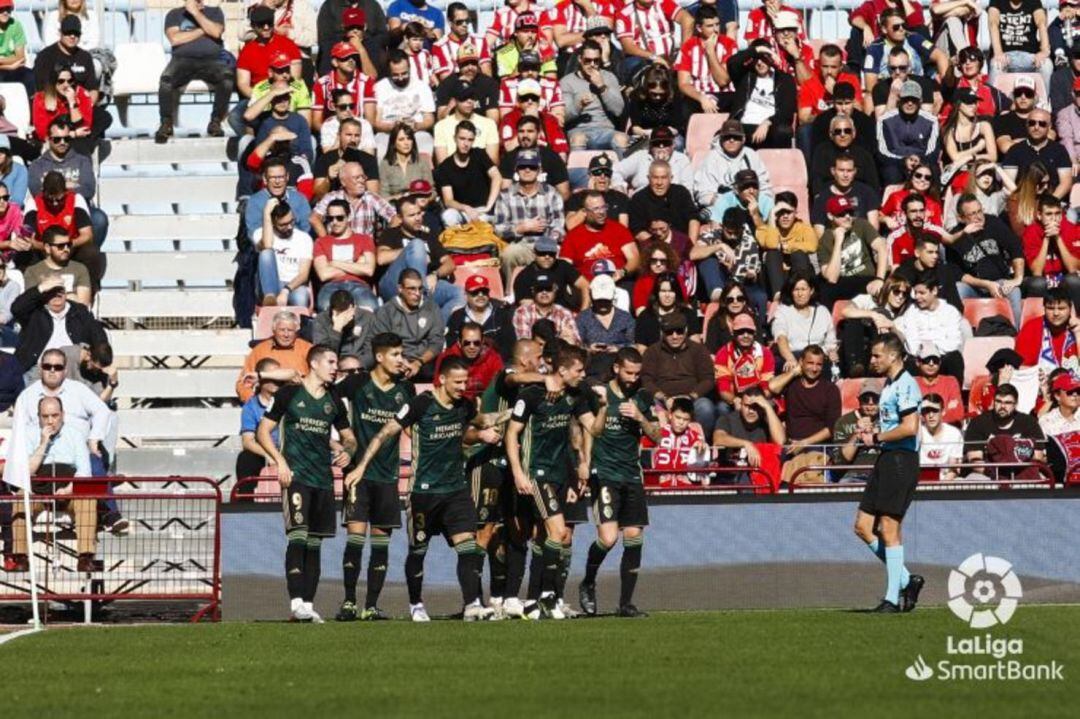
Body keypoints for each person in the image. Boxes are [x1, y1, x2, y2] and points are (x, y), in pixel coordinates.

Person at [348, 356, 502, 621]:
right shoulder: (421, 405)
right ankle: (416, 604)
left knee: (467, 546)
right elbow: (385, 433)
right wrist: (361, 466)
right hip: (423, 492)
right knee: (418, 551)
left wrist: (511, 416)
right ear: (442, 379)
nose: (462, 387)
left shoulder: (464, 405)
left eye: (465, 381)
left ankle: (472, 604)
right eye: (457, 382)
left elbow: (482, 420)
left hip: (456, 490)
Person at [257, 345, 356, 623]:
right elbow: (263, 431)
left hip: (323, 481)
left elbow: (349, 437)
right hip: (296, 476)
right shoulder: (289, 394)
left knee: (315, 544)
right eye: (330, 361)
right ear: (314, 364)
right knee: (298, 537)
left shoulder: (334, 400)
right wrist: (280, 462)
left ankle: (308, 606)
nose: (335, 367)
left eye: (336, 362)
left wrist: (347, 449)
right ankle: (296, 602)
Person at [332, 333, 414, 621]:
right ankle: (349, 602)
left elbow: (413, 427)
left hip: (388, 476)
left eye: (402, 354)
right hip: (357, 474)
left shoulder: (406, 390)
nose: (400, 360)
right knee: (355, 539)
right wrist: (343, 437)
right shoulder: (357, 384)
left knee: (381, 544)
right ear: (379, 357)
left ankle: (371, 606)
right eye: (395, 354)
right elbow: (328, 395)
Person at [504, 345, 590, 619]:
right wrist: (518, 473)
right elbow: (511, 434)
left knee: (550, 538)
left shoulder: (574, 395)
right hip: (536, 473)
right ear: (563, 370)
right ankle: (546, 595)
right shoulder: (531, 395)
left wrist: (583, 463)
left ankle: (534, 600)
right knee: (557, 531)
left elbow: (590, 428)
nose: (583, 374)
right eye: (578, 370)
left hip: (561, 475)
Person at [576, 347, 662, 617]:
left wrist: (640, 418)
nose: (633, 378)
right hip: (605, 474)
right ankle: (588, 581)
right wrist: (585, 462)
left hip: (631, 475)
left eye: (637, 373)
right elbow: (589, 430)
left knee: (634, 536)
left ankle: (626, 603)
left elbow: (658, 436)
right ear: (616, 368)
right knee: (609, 538)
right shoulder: (599, 394)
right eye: (628, 372)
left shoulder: (644, 397)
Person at [851, 332, 924, 613]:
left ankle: (891, 599)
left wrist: (878, 437)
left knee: (889, 528)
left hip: (900, 460)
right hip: (886, 458)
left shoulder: (906, 384)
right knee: (862, 526)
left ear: (893, 356)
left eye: (877, 355)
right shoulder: (891, 385)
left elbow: (910, 427)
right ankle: (907, 580)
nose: (872, 360)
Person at [8, 395, 97, 572]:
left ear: (62, 415)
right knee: (20, 498)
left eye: (55, 416)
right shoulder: (27, 434)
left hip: (67, 490)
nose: (50, 421)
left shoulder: (75, 435)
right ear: (38, 416)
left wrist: (70, 489)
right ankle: (20, 557)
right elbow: (25, 472)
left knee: (87, 497)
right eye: (45, 416)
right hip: (38, 492)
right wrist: (43, 443)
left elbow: (84, 472)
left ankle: (85, 557)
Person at [155, 0, 232, 143]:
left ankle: (215, 122)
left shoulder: (215, 11)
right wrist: (204, 30)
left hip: (212, 60)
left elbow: (216, 32)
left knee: (227, 79)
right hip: (182, 60)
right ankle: (166, 123)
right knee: (166, 81)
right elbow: (175, 39)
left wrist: (195, 13)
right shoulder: (174, 14)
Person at [375, 196, 462, 321]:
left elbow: (450, 264)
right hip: (395, 285)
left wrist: (435, 275)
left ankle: (435, 330)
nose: (417, 218)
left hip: (426, 284)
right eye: (411, 215)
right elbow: (381, 258)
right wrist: (412, 251)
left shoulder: (428, 236)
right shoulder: (391, 233)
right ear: (400, 218)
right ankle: (420, 297)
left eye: (419, 213)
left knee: (459, 293)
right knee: (417, 244)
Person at [946, 193, 1025, 328]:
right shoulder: (956, 237)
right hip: (974, 287)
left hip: (999, 282)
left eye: (979, 211)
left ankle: (1017, 334)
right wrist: (985, 284)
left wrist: (1018, 278)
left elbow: (1015, 247)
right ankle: (959, 332)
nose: (978, 217)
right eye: (972, 214)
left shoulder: (993, 222)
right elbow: (957, 274)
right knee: (958, 289)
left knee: (1014, 290)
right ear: (962, 218)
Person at [641, 312, 718, 436]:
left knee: (706, 407)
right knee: (646, 404)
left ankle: (701, 443)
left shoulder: (698, 350)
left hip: (692, 399)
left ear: (686, 330)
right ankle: (661, 443)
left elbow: (708, 379)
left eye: (679, 331)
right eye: (669, 332)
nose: (675, 336)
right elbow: (646, 379)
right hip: (662, 399)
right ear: (662, 332)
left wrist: (690, 397)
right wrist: (664, 397)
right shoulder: (652, 351)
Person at [11, 273, 106, 373]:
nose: (56, 295)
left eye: (60, 291)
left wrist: (98, 359)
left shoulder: (79, 312)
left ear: (66, 293)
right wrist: (40, 288)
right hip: (38, 369)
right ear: (44, 294)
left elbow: (98, 336)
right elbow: (16, 309)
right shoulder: (35, 312)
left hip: (73, 371)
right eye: (51, 291)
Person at [493, 148, 566, 277]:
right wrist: (521, 228)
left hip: (547, 243)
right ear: (516, 170)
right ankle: (511, 291)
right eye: (523, 166)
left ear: (539, 170)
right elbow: (498, 229)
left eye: (532, 167)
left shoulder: (551, 193)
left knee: (563, 256)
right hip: (520, 245)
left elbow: (559, 224)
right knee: (508, 254)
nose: (527, 170)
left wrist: (548, 242)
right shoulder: (505, 195)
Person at [893, 270, 966, 387]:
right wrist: (925, 354)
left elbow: (953, 343)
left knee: (955, 358)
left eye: (922, 293)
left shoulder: (950, 312)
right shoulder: (911, 312)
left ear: (934, 291)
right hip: (919, 360)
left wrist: (932, 350)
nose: (917, 297)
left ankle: (955, 399)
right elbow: (912, 346)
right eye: (915, 293)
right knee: (910, 362)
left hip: (942, 358)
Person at [964, 382, 1047, 480]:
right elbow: (974, 460)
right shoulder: (978, 423)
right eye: (998, 401)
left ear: (1015, 404)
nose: (1002, 406)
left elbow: (1038, 456)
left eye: (1007, 403)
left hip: (1022, 473)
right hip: (987, 475)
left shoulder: (1028, 422)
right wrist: (996, 474)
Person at [769, 345, 842, 454]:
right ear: (801, 362)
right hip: (791, 443)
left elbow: (832, 428)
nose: (814, 369)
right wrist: (794, 372)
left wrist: (804, 443)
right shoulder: (792, 383)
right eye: (810, 363)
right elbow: (773, 387)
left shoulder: (830, 389)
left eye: (819, 365)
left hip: (818, 446)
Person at [726, 40, 797, 148]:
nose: (759, 63)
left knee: (783, 131)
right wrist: (759, 49)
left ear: (771, 58)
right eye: (756, 58)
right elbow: (731, 63)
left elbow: (787, 111)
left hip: (771, 128)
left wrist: (767, 122)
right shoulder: (745, 77)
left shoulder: (785, 80)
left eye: (763, 58)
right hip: (744, 127)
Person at [311, 198, 377, 312]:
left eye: (340, 218)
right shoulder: (321, 242)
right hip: (331, 286)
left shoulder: (364, 240)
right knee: (326, 308)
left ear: (349, 217)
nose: (335, 222)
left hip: (359, 285)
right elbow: (324, 274)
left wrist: (335, 263)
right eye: (330, 218)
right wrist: (357, 264)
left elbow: (369, 270)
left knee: (370, 307)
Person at [561, 40, 627, 154]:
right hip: (580, 130)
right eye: (587, 61)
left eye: (596, 61)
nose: (592, 65)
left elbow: (618, 110)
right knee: (578, 139)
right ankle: (578, 171)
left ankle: (622, 171)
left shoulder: (609, 77)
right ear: (579, 59)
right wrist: (579, 105)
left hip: (606, 129)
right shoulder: (567, 82)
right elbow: (564, 116)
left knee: (621, 139)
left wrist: (602, 87)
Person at [839, 273, 911, 378]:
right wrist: (873, 315)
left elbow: (904, 342)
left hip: (884, 351)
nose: (900, 297)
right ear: (887, 290)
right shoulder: (867, 300)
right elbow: (846, 311)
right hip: (861, 347)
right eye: (896, 292)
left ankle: (873, 367)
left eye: (904, 294)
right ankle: (855, 366)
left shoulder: (904, 315)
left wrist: (892, 326)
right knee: (852, 322)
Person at [434, 121, 501, 228]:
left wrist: (488, 206)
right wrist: (465, 208)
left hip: (483, 210)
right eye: (462, 138)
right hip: (462, 211)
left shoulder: (479, 154)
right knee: (448, 215)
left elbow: (496, 176)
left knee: (483, 219)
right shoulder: (445, 167)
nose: (466, 144)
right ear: (454, 138)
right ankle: (458, 243)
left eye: (470, 140)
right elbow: (448, 200)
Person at [560, 190, 639, 282]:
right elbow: (565, 265)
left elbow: (634, 258)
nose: (601, 212)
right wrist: (581, 284)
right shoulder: (573, 236)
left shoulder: (618, 229)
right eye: (596, 209)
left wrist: (622, 272)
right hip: (588, 285)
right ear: (585, 212)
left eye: (603, 207)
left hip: (618, 281)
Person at [711, 386, 785, 482]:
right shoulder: (727, 419)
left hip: (759, 475)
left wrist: (767, 407)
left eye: (755, 407)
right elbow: (718, 439)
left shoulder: (767, 422)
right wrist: (747, 444)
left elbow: (780, 441)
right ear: (741, 405)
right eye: (747, 406)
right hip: (730, 476)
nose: (751, 411)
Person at [1001, 107, 1075, 201]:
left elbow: (1066, 183)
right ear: (1027, 125)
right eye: (1032, 123)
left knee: (1072, 215)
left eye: (1042, 124)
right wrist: (1026, 204)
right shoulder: (1015, 150)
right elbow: (1008, 183)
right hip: (1022, 202)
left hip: (1054, 203)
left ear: (1049, 126)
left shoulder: (1059, 150)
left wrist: (1048, 204)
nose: (1036, 127)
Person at [235, 310, 311, 402]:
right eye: (282, 330)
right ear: (274, 330)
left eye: (290, 330)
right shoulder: (260, 350)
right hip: (266, 405)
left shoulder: (307, 349)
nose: (286, 334)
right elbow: (243, 383)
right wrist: (255, 403)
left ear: (296, 331)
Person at [771, 272, 839, 373]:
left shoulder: (822, 311)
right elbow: (781, 337)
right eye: (796, 290)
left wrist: (831, 352)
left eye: (803, 289)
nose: (800, 294)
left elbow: (830, 341)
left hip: (818, 357)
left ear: (811, 291)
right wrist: (790, 359)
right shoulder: (783, 311)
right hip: (795, 356)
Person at [674, 5, 736, 116]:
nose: (716, 29)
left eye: (717, 24)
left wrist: (710, 52)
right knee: (683, 109)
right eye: (710, 26)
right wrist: (701, 98)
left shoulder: (729, 44)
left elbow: (723, 81)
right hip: (698, 95)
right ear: (699, 28)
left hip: (725, 95)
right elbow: (683, 84)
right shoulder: (688, 47)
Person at [876, 80, 942, 185]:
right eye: (906, 99)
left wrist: (919, 160)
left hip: (922, 162)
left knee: (934, 170)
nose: (910, 103)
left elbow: (933, 152)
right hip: (896, 163)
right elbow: (882, 152)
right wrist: (904, 161)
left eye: (914, 100)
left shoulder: (931, 121)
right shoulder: (885, 120)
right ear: (899, 99)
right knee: (891, 172)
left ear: (920, 101)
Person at [372, 50, 436, 156]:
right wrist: (392, 127)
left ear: (409, 68)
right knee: (380, 144)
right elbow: (377, 122)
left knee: (426, 142)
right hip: (388, 133)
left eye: (404, 73)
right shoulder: (380, 87)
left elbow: (429, 119)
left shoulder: (422, 87)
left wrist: (417, 126)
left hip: (416, 132)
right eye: (396, 75)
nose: (401, 78)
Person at [1020, 194, 1080, 308]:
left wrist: (1058, 238)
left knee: (1074, 280)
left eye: (1057, 214)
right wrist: (1046, 238)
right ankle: (1035, 323)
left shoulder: (1072, 229)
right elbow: (1037, 271)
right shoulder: (1031, 231)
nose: (1054, 218)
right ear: (1039, 215)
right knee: (1038, 283)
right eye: (1049, 214)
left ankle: (1077, 319)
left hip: (1063, 280)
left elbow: (1073, 269)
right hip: (1041, 280)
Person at [310, 161, 397, 238]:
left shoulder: (371, 198)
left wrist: (383, 242)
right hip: (337, 249)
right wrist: (326, 241)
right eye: (357, 178)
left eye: (363, 177)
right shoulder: (332, 198)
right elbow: (314, 218)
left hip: (364, 251)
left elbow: (395, 218)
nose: (361, 181)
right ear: (343, 182)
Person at [311, 41, 376, 136]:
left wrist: (354, 135)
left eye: (353, 57)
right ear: (335, 62)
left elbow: (370, 121)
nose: (351, 60)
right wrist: (335, 135)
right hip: (331, 134)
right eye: (345, 58)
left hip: (360, 133)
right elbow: (316, 122)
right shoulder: (321, 84)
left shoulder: (366, 82)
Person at [256, 201, 312, 308]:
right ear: (273, 222)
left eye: (291, 221)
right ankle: (270, 298)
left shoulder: (304, 238)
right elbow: (267, 245)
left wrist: (286, 290)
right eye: (283, 225)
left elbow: (303, 275)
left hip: (293, 285)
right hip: (270, 283)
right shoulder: (261, 234)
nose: (290, 227)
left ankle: (300, 323)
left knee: (301, 297)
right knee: (266, 253)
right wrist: (267, 214)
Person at [577, 274, 635, 379]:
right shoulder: (583, 318)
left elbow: (634, 345)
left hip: (619, 369)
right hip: (592, 369)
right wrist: (589, 349)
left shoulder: (625, 318)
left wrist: (618, 348)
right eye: (599, 301)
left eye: (606, 300)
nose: (603, 304)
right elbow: (576, 345)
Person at [447, 274, 516, 361]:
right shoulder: (457, 317)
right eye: (475, 292)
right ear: (466, 294)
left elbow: (509, 345)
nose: (480, 295)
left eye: (484, 291)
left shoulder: (501, 315)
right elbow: (452, 345)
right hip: (465, 365)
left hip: (497, 364)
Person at [810, 152, 881, 236]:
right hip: (834, 242)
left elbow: (873, 229)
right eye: (841, 170)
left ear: (855, 171)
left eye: (849, 170)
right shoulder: (822, 197)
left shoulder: (867, 192)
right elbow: (819, 233)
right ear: (833, 171)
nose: (845, 175)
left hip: (862, 241)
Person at [988, 0, 1054, 89]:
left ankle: (1044, 101)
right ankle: (994, 101)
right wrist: (998, 52)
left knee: (1046, 65)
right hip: (1006, 55)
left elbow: (1041, 23)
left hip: (1030, 56)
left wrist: (1044, 50)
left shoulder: (1034, 2)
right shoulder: (997, 1)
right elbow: (993, 23)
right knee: (996, 66)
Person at [714, 312, 775, 408]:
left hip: (759, 396)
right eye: (740, 332)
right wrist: (735, 400)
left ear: (755, 333)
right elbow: (723, 388)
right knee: (722, 407)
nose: (745, 335)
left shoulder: (765, 353)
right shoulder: (723, 353)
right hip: (734, 397)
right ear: (733, 333)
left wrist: (756, 400)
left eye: (749, 332)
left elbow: (766, 385)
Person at [236, 357, 283, 483]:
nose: (275, 380)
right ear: (260, 379)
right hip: (265, 451)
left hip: (290, 451)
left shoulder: (290, 401)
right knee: (246, 459)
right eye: (270, 377)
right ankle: (246, 501)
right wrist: (270, 456)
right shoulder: (250, 407)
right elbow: (248, 441)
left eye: (278, 376)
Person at [629, 160, 698, 244]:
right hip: (654, 248)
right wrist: (664, 248)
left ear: (670, 178)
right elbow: (638, 231)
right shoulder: (639, 198)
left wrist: (690, 246)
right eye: (655, 177)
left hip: (683, 245)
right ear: (648, 178)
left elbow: (693, 219)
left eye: (664, 178)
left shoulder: (681, 192)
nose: (659, 182)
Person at [1015, 285, 1080, 374]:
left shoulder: (1078, 327)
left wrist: (1077, 332)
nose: (1056, 313)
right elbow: (1021, 367)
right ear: (1044, 308)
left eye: (1061, 308)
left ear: (1070, 309)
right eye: (1050, 308)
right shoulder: (1031, 327)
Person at [512, 235, 588, 310]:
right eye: (542, 253)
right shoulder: (524, 276)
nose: (547, 257)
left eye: (551, 253)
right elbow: (527, 308)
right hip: (538, 317)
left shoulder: (563, 266)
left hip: (564, 314)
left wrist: (583, 314)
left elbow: (584, 285)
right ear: (534, 253)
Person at [434, 322, 505, 401]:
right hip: (455, 403)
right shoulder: (446, 358)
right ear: (459, 342)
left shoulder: (493, 358)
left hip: (484, 403)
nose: (472, 347)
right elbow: (438, 385)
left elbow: (499, 387)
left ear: (482, 342)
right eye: (467, 343)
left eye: (476, 343)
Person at [23, 225, 91, 306]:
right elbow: (31, 303)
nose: (66, 249)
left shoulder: (80, 269)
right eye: (60, 246)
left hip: (73, 317)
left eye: (68, 245)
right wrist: (68, 297)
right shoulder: (32, 271)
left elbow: (83, 305)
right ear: (47, 248)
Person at [432, 84, 500, 164]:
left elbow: (493, 161)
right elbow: (442, 163)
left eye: (472, 97)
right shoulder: (441, 126)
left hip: (481, 173)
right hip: (452, 173)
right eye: (464, 97)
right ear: (454, 101)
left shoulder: (489, 124)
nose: (469, 101)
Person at [312, 119, 378, 200]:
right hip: (332, 205)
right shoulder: (325, 159)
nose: (353, 140)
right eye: (349, 135)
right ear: (339, 136)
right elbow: (319, 195)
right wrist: (328, 179)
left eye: (357, 135)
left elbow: (373, 195)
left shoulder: (368, 160)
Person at [831, 381, 882, 483]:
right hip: (853, 475)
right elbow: (839, 461)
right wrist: (857, 434)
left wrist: (879, 435)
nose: (871, 403)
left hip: (882, 474)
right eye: (866, 399)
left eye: (875, 399)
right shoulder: (843, 422)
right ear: (858, 400)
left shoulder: (889, 419)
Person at [635, 272, 699, 349]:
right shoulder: (646, 316)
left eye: (671, 291)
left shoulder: (688, 314)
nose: (667, 295)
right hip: (654, 358)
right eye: (663, 291)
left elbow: (696, 345)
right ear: (657, 293)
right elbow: (641, 348)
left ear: (676, 293)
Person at [513, 272, 581, 344]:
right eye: (539, 289)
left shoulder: (564, 313)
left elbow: (576, 341)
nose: (544, 292)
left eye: (548, 288)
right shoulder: (523, 312)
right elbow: (525, 343)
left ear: (555, 290)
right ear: (533, 291)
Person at [312, 289, 374, 367]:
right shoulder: (321, 320)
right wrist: (336, 330)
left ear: (353, 307)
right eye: (340, 312)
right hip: (333, 367)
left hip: (358, 367)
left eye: (346, 311)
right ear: (333, 310)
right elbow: (322, 355)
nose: (344, 316)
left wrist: (356, 365)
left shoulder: (367, 318)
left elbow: (371, 352)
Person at [565, 153, 628, 227]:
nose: (602, 176)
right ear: (590, 175)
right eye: (597, 172)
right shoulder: (577, 197)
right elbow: (571, 226)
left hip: (611, 237)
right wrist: (590, 195)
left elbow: (623, 229)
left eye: (607, 172)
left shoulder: (620, 198)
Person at [433, 3, 493, 80]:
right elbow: (446, 81)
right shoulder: (439, 47)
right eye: (459, 22)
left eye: (467, 21)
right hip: (454, 90)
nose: (464, 24)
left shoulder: (480, 41)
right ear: (449, 22)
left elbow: (487, 73)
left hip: (479, 88)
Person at [913, 343, 964, 426]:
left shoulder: (950, 382)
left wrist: (925, 417)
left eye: (935, 360)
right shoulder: (911, 383)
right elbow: (909, 416)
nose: (931, 364)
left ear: (940, 362)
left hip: (946, 430)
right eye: (926, 360)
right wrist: (944, 412)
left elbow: (957, 414)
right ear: (918, 362)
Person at [918, 393, 964, 481]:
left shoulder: (954, 433)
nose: (931, 415)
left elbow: (954, 469)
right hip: (920, 482)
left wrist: (940, 487)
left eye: (935, 411)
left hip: (946, 482)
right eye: (927, 411)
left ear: (943, 412)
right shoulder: (917, 433)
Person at [0, 3, 33, 98]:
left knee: (30, 76)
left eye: (8, 9)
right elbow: (16, 58)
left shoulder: (15, 25)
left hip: (12, 69)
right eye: (1, 9)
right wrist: (10, 66)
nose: (5, 12)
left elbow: (21, 58)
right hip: (9, 67)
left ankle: (31, 110)